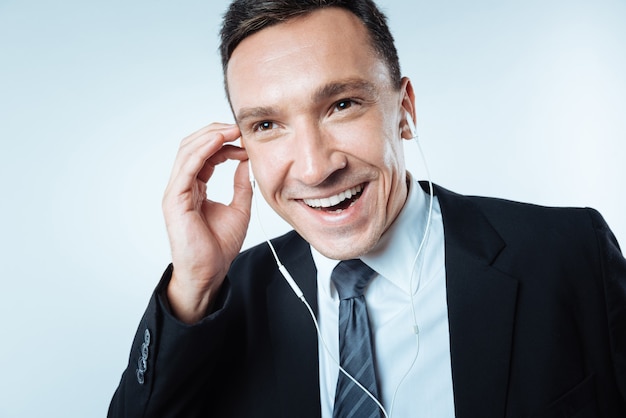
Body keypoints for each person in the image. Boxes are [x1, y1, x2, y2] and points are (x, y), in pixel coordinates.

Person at [108, 0, 626, 417]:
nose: (313, 169)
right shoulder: (223, 300)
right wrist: (193, 285)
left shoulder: (566, 252)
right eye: (267, 125)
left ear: (404, 110)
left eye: (342, 105)